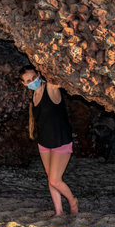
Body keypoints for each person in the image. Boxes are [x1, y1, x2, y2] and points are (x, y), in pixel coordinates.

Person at [19, 64, 78, 216]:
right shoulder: (33, 96)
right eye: (28, 80)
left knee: (54, 180)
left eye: (34, 77)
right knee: (51, 178)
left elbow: (64, 79)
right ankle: (58, 212)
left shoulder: (50, 88)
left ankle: (72, 201)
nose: (32, 81)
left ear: (39, 74)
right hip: (44, 143)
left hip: (61, 141)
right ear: (24, 84)